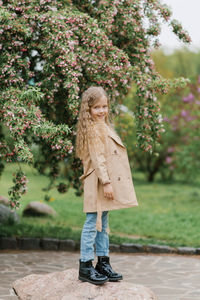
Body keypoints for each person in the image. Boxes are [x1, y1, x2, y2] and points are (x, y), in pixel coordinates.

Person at [75, 86, 138, 285]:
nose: (102, 111)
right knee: (92, 222)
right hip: (98, 182)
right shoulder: (93, 130)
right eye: (96, 108)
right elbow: (98, 159)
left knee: (103, 224)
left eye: (104, 106)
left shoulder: (104, 127)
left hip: (103, 182)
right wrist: (107, 183)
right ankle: (85, 265)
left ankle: (103, 261)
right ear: (88, 110)